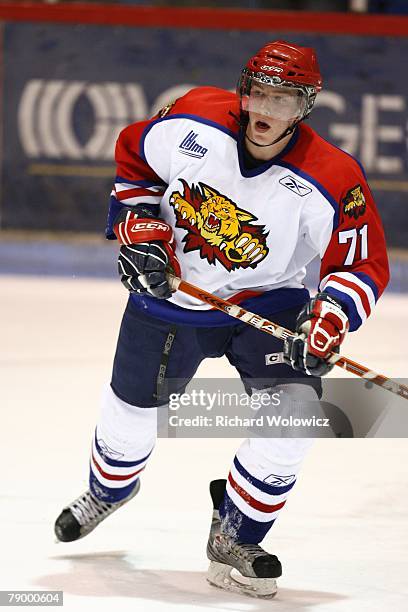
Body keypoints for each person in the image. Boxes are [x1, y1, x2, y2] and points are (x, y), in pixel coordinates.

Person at [54, 40, 389, 598]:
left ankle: (236, 532)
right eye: (259, 95)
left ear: (306, 106)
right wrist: (141, 229)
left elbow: (357, 261)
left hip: (269, 304)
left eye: (283, 102)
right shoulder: (193, 119)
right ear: (243, 90)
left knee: (295, 415)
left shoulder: (332, 176)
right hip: (170, 300)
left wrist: (331, 315)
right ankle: (110, 489)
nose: (266, 112)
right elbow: (136, 161)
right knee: (130, 417)